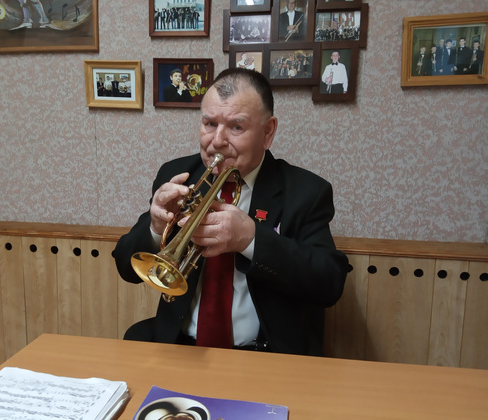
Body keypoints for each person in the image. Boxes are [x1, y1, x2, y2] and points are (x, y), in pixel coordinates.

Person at [114, 68, 348, 356]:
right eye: (209, 123)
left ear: (268, 132)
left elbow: (329, 283)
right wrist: (155, 226)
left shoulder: (306, 191)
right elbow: (127, 268)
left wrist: (251, 240)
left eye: (236, 127)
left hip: (265, 355)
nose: (217, 141)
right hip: (182, 348)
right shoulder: (178, 174)